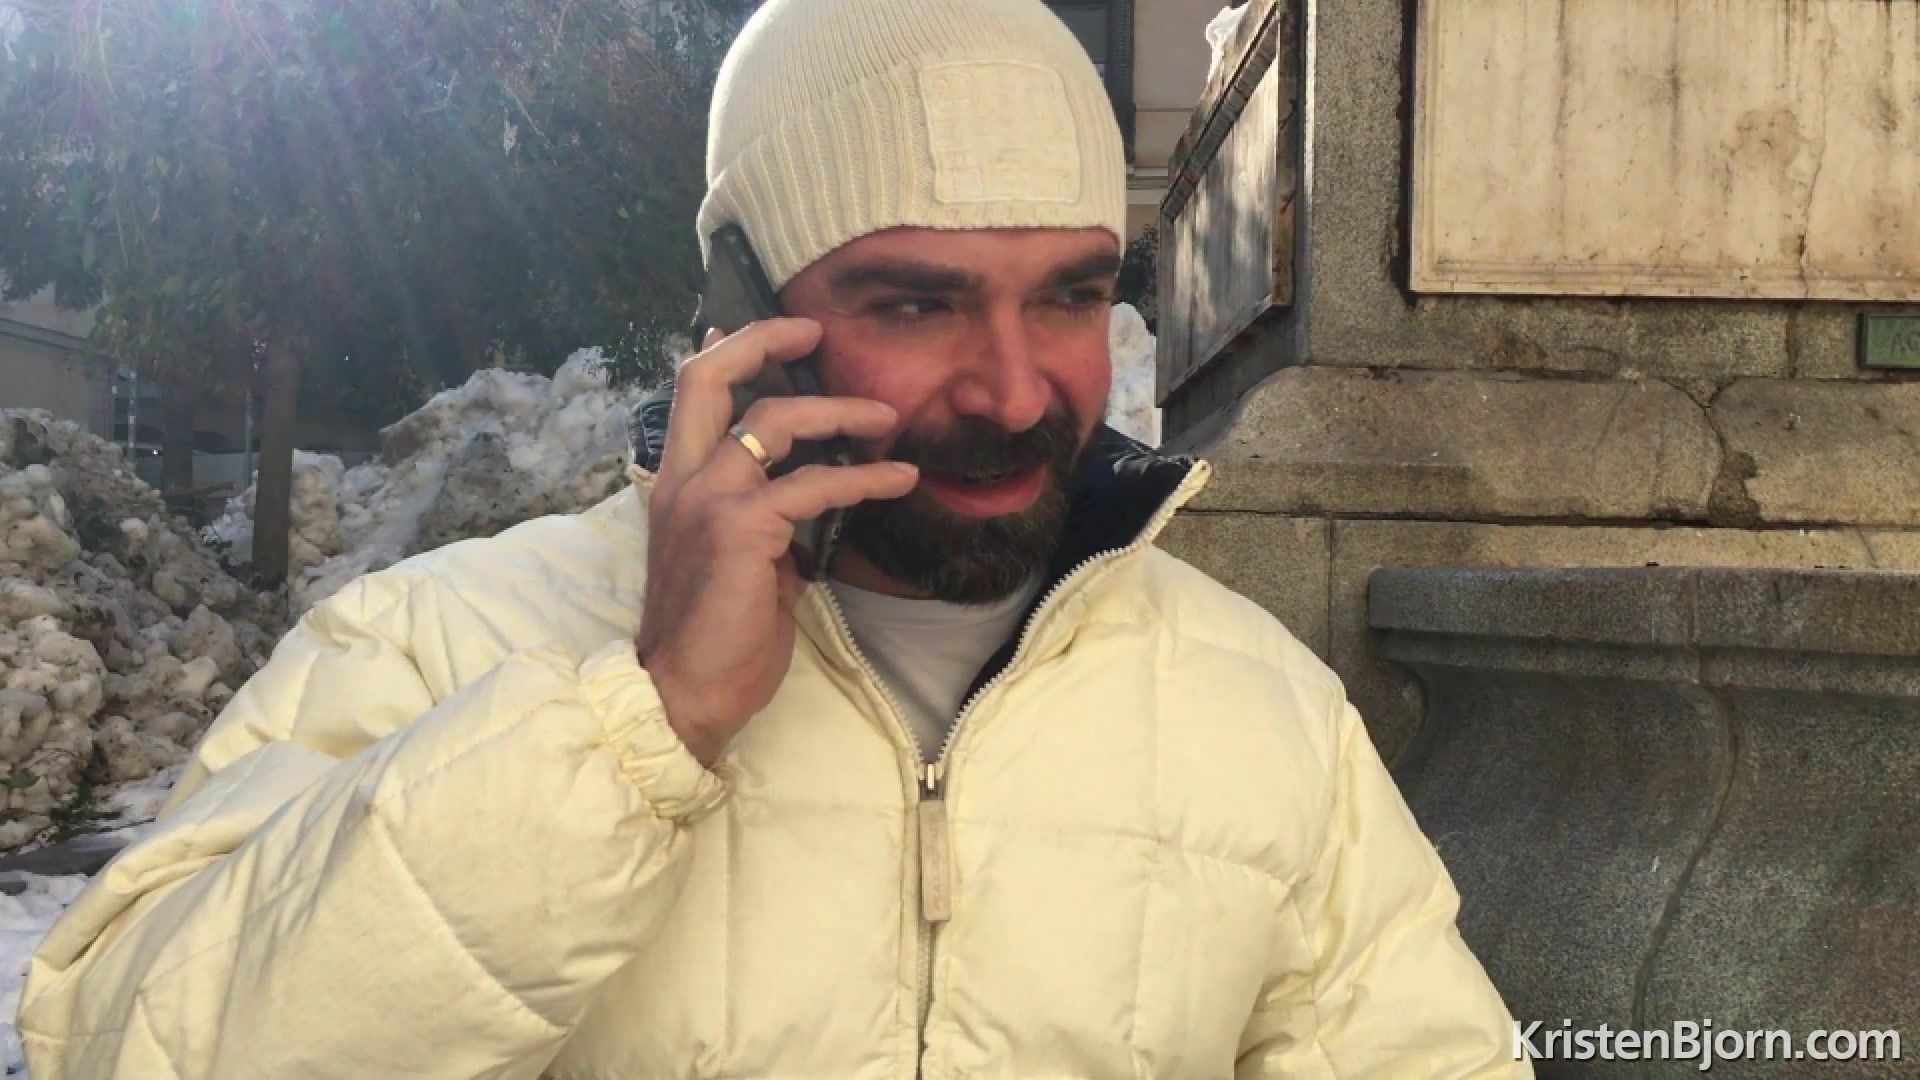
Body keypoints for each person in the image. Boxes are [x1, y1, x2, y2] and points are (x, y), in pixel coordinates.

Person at [20, 0, 1529, 1075]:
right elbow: (128, 1047)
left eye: (1071, 295)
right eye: (915, 303)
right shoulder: (436, 647)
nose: (1015, 390)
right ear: (743, 314)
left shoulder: (1261, 708)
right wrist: (640, 725)